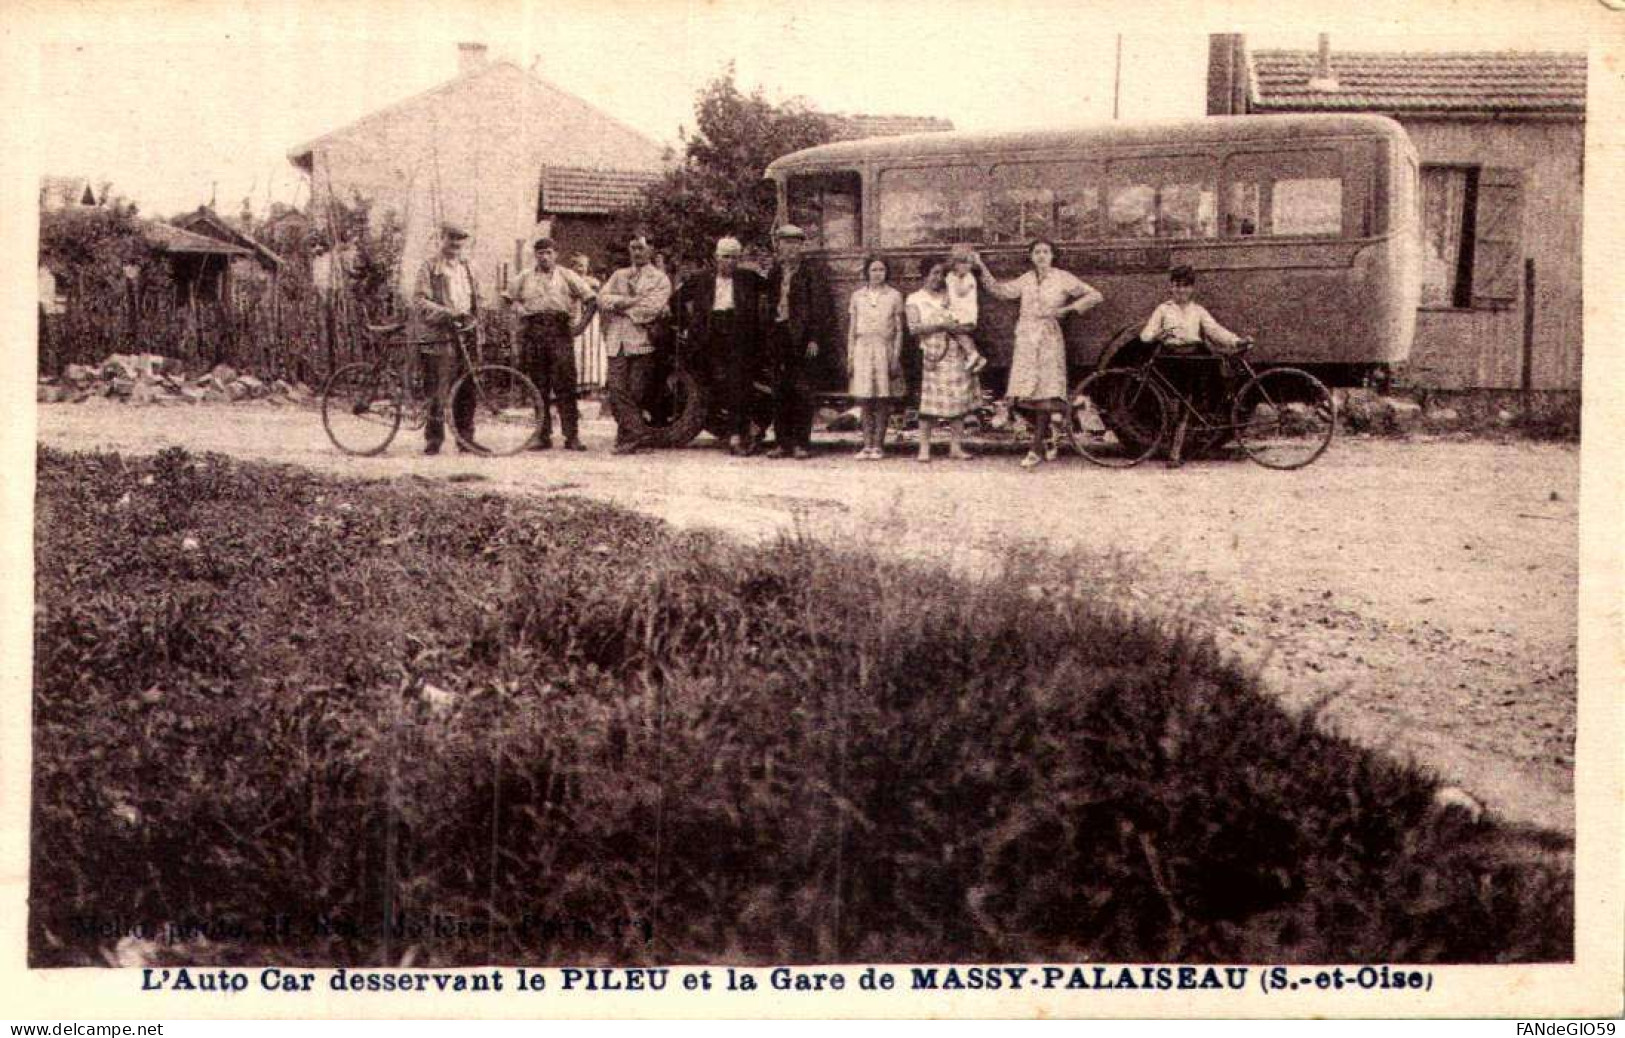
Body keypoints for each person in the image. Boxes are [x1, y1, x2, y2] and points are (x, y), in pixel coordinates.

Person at [972, 241, 1102, 469]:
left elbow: (1095, 295)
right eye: (1037, 252)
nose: (1041, 256)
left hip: (1049, 338)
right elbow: (1000, 291)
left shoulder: (1062, 277)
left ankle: (1036, 448)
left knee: (1044, 393)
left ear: (1052, 256)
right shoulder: (1027, 279)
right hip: (1026, 337)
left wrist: (1067, 309)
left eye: (1045, 252)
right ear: (1031, 256)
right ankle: (1055, 428)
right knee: (1020, 394)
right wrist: (981, 266)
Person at [1139, 264, 1251, 467]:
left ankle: (1178, 452)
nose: (1180, 290)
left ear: (1192, 289)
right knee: (1172, 402)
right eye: (1176, 286)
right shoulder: (1163, 309)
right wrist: (1158, 334)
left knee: (1189, 401)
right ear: (1170, 287)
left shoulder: (1197, 311)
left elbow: (1214, 330)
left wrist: (1236, 341)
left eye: (1185, 286)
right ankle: (1175, 449)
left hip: (1194, 358)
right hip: (1171, 359)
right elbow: (1145, 336)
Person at [673, 236, 767, 455]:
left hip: (739, 334)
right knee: (714, 382)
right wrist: (688, 325)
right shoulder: (701, 279)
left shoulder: (749, 278)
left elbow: (775, 292)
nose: (730, 262)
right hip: (709, 335)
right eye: (725, 257)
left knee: (738, 381)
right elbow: (675, 301)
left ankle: (737, 434)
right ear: (716, 257)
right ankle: (744, 428)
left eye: (735, 258)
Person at [504, 237, 596, 451]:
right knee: (538, 385)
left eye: (548, 253)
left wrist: (580, 327)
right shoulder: (525, 277)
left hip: (560, 331)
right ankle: (542, 435)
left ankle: (571, 436)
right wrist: (517, 308)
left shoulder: (567, 275)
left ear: (556, 254)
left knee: (565, 385)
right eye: (540, 253)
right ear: (535, 255)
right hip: (534, 331)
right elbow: (508, 297)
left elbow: (591, 300)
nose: (544, 257)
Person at [596, 235, 672, 455]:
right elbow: (601, 299)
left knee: (636, 391)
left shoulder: (659, 279)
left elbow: (652, 308)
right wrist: (630, 301)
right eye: (633, 248)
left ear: (651, 250)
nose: (636, 252)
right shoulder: (619, 275)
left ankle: (626, 437)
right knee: (616, 389)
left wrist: (618, 305)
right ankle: (637, 432)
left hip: (642, 341)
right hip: (616, 340)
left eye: (641, 248)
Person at [412, 223, 482, 455]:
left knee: (468, 387)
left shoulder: (469, 267)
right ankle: (434, 438)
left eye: (460, 240)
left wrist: (476, 320)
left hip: (466, 334)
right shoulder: (430, 267)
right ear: (442, 239)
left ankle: (466, 439)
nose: (455, 245)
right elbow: (420, 301)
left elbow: (477, 299)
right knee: (438, 389)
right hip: (440, 335)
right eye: (451, 239)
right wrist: (447, 313)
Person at [763, 224, 832, 460]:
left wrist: (814, 338)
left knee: (802, 390)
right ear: (779, 246)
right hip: (779, 335)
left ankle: (802, 444)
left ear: (801, 246)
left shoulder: (811, 272)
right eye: (785, 243)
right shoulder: (775, 272)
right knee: (780, 390)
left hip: (802, 338)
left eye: (794, 243)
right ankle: (782, 443)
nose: (790, 248)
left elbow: (820, 309)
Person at [907, 262, 979, 462]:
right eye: (934, 273)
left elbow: (963, 319)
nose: (938, 277)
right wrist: (941, 324)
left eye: (941, 274)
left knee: (958, 400)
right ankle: (924, 449)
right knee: (929, 403)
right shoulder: (915, 298)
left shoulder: (950, 296)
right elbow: (913, 328)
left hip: (955, 351)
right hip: (932, 352)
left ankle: (955, 447)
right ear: (924, 275)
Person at [845, 256, 905, 459]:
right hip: (862, 349)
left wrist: (895, 356)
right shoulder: (857, 296)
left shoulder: (894, 296)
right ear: (867, 273)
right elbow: (852, 329)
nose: (878, 273)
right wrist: (850, 356)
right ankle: (866, 445)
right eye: (873, 270)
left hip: (884, 349)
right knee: (865, 400)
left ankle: (879, 445)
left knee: (881, 400)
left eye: (881, 270)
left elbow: (898, 330)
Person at [944, 244, 988, 375]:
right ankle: (975, 357)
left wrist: (957, 279)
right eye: (962, 263)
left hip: (965, 315)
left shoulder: (969, 277)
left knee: (958, 331)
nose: (965, 267)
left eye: (968, 263)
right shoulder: (950, 276)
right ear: (954, 264)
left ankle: (973, 354)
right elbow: (948, 292)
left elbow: (960, 292)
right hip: (954, 312)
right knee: (959, 334)